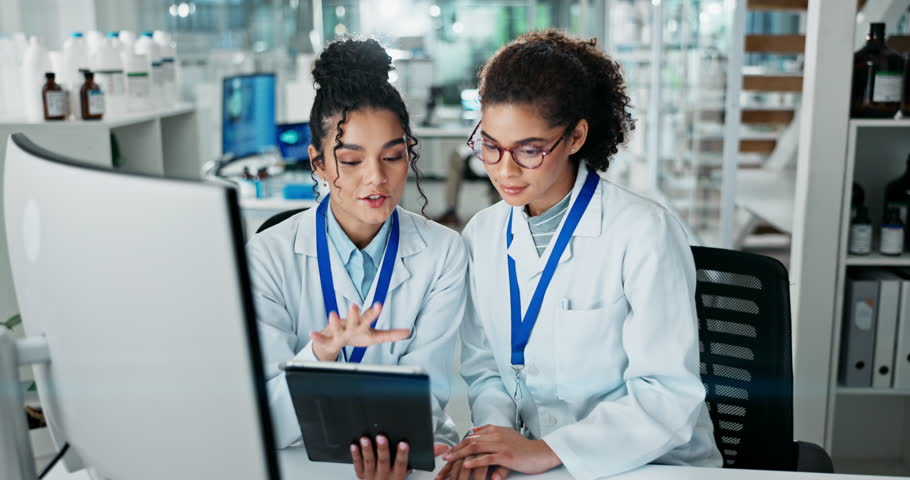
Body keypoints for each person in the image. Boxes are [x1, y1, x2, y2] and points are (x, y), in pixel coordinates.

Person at [438, 30, 722, 480]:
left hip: (651, 464)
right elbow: (485, 367)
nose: (504, 170)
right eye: (490, 145)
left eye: (530, 150)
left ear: (574, 137)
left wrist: (548, 450)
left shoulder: (643, 232)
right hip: (538, 464)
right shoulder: (483, 235)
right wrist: (493, 439)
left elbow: (667, 395)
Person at [246, 38, 465, 479]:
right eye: (350, 160)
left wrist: (384, 446)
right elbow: (263, 417)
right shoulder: (268, 256)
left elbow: (427, 399)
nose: (377, 178)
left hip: (406, 464)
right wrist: (320, 355)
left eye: (394, 156)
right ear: (319, 163)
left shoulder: (442, 252)